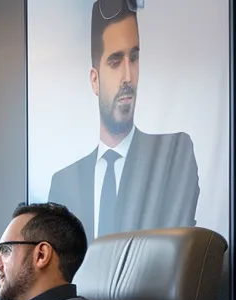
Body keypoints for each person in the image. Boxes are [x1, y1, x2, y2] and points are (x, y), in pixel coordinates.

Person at [45, 0, 199, 237]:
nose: (128, 76)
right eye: (115, 62)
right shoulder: (62, 183)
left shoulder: (173, 155)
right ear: (94, 80)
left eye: (134, 58)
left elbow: (173, 253)